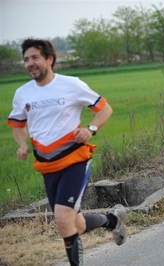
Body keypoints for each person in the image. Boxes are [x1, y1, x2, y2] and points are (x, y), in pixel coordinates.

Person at [7, 38, 127, 266]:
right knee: (76, 224)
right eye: (26, 59)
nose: (30, 63)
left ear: (49, 59)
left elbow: (105, 109)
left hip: (75, 160)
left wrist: (90, 129)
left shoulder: (72, 84)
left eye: (35, 57)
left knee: (63, 221)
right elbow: (18, 125)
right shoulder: (22, 93)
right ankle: (111, 221)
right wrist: (22, 144)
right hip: (47, 166)